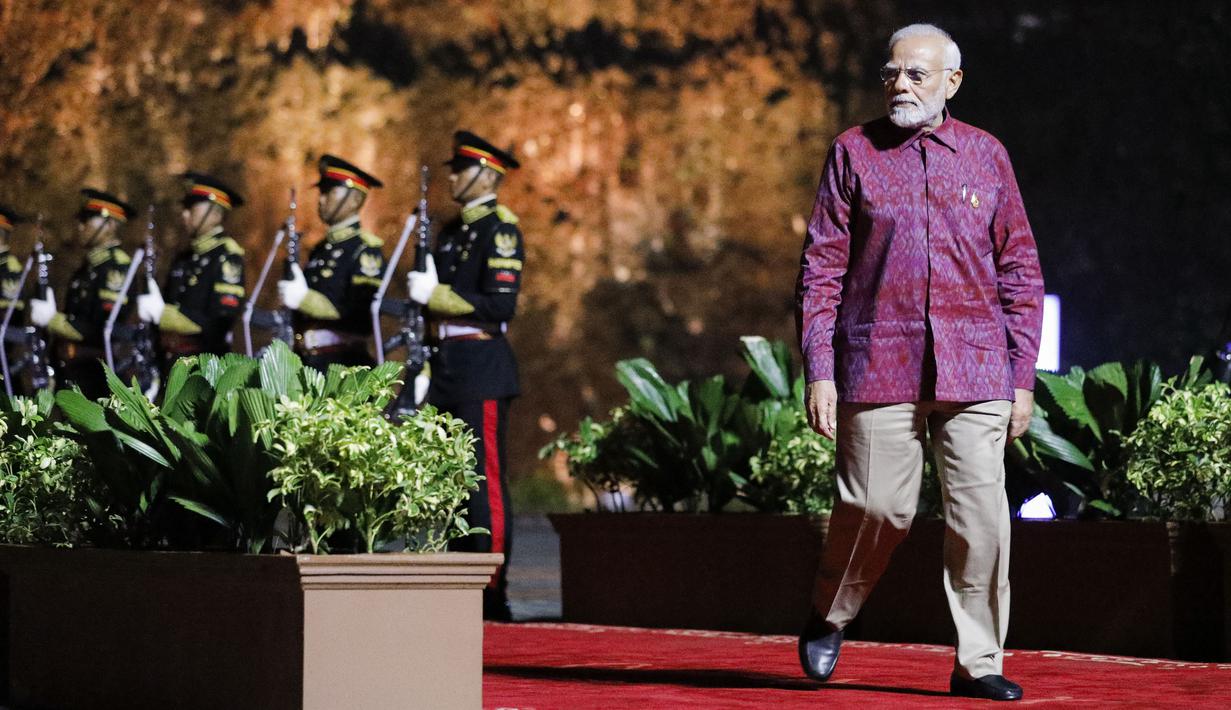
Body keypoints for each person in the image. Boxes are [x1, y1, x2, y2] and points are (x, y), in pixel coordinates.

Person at [795, 24, 1043, 701]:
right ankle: (829, 613)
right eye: (891, 73)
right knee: (878, 508)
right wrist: (819, 366)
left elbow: (1019, 269)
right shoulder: (853, 152)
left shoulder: (986, 155)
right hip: (878, 360)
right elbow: (821, 267)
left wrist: (1020, 378)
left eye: (916, 75)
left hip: (977, 366)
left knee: (982, 520)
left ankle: (978, 661)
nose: (899, 86)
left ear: (951, 84)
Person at [408, 131, 524, 621]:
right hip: (447, 366)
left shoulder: (500, 230)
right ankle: (459, 579)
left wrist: (436, 296)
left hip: (481, 367)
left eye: (461, 167)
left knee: (483, 483)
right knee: (450, 483)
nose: (452, 175)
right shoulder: (451, 230)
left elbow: (501, 305)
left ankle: (492, 589)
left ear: (488, 174)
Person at [278, 155, 385, 370]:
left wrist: (304, 299)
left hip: (343, 365)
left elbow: (360, 315)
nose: (321, 199)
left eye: (330, 192)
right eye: (321, 192)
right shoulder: (319, 250)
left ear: (355, 199)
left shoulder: (364, 250)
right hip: (306, 361)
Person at [30, 189, 136, 400]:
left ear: (110, 224)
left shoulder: (117, 267)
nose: (80, 227)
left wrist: (54, 321)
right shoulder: (87, 269)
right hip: (75, 372)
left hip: (101, 377)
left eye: (87, 220)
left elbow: (104, 328)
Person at [138, 173, 246, 365]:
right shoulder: (184, 259)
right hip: (170, 364)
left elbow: (219, 322)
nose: (184, 213)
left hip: (205, 368)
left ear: (215, 213)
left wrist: (163, 314)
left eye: (191, 207)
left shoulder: (227, 256)